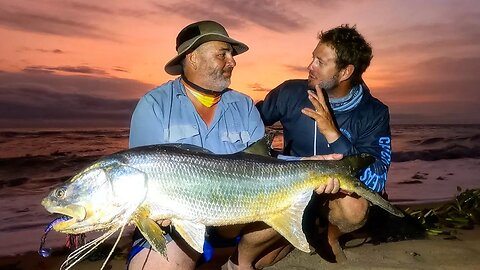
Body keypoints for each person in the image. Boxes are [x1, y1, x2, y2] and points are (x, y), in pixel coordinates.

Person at [236, 24, 392, 268]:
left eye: (321, 61)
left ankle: (330, 234)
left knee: (355, 210)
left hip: (336, 194)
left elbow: (376, 178)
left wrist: (333, 133)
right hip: (291, 188)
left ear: (345, 72)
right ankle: (299, 232)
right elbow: (246, 125)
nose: (310, 67)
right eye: (313, 58)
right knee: (262, 260)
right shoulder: (289, 92)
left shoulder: (374, 113)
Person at [127, 20, 265, 270]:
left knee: (296, 209)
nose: (232, 61)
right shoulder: (154, 105)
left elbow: (266, 166)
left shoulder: (244, 105)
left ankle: (239, 264)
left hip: (236, 222)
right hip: (177, 226)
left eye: (231, 55)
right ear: (193, 58)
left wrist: (310, 166)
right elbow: (141, 181)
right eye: (222, 54)